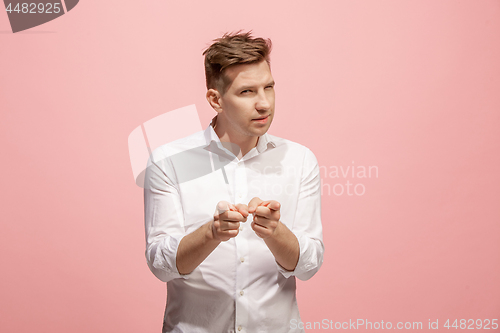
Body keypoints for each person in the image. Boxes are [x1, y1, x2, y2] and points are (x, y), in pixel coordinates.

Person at [144, 30, 324, 333]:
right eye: (247, 92)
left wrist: (275, 233)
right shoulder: (168, 161)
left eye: (269, 87)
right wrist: (212, 233)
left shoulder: (300, 160)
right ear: (216, 99)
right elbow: (161, 266)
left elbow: (309, 266)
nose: (264, 103)